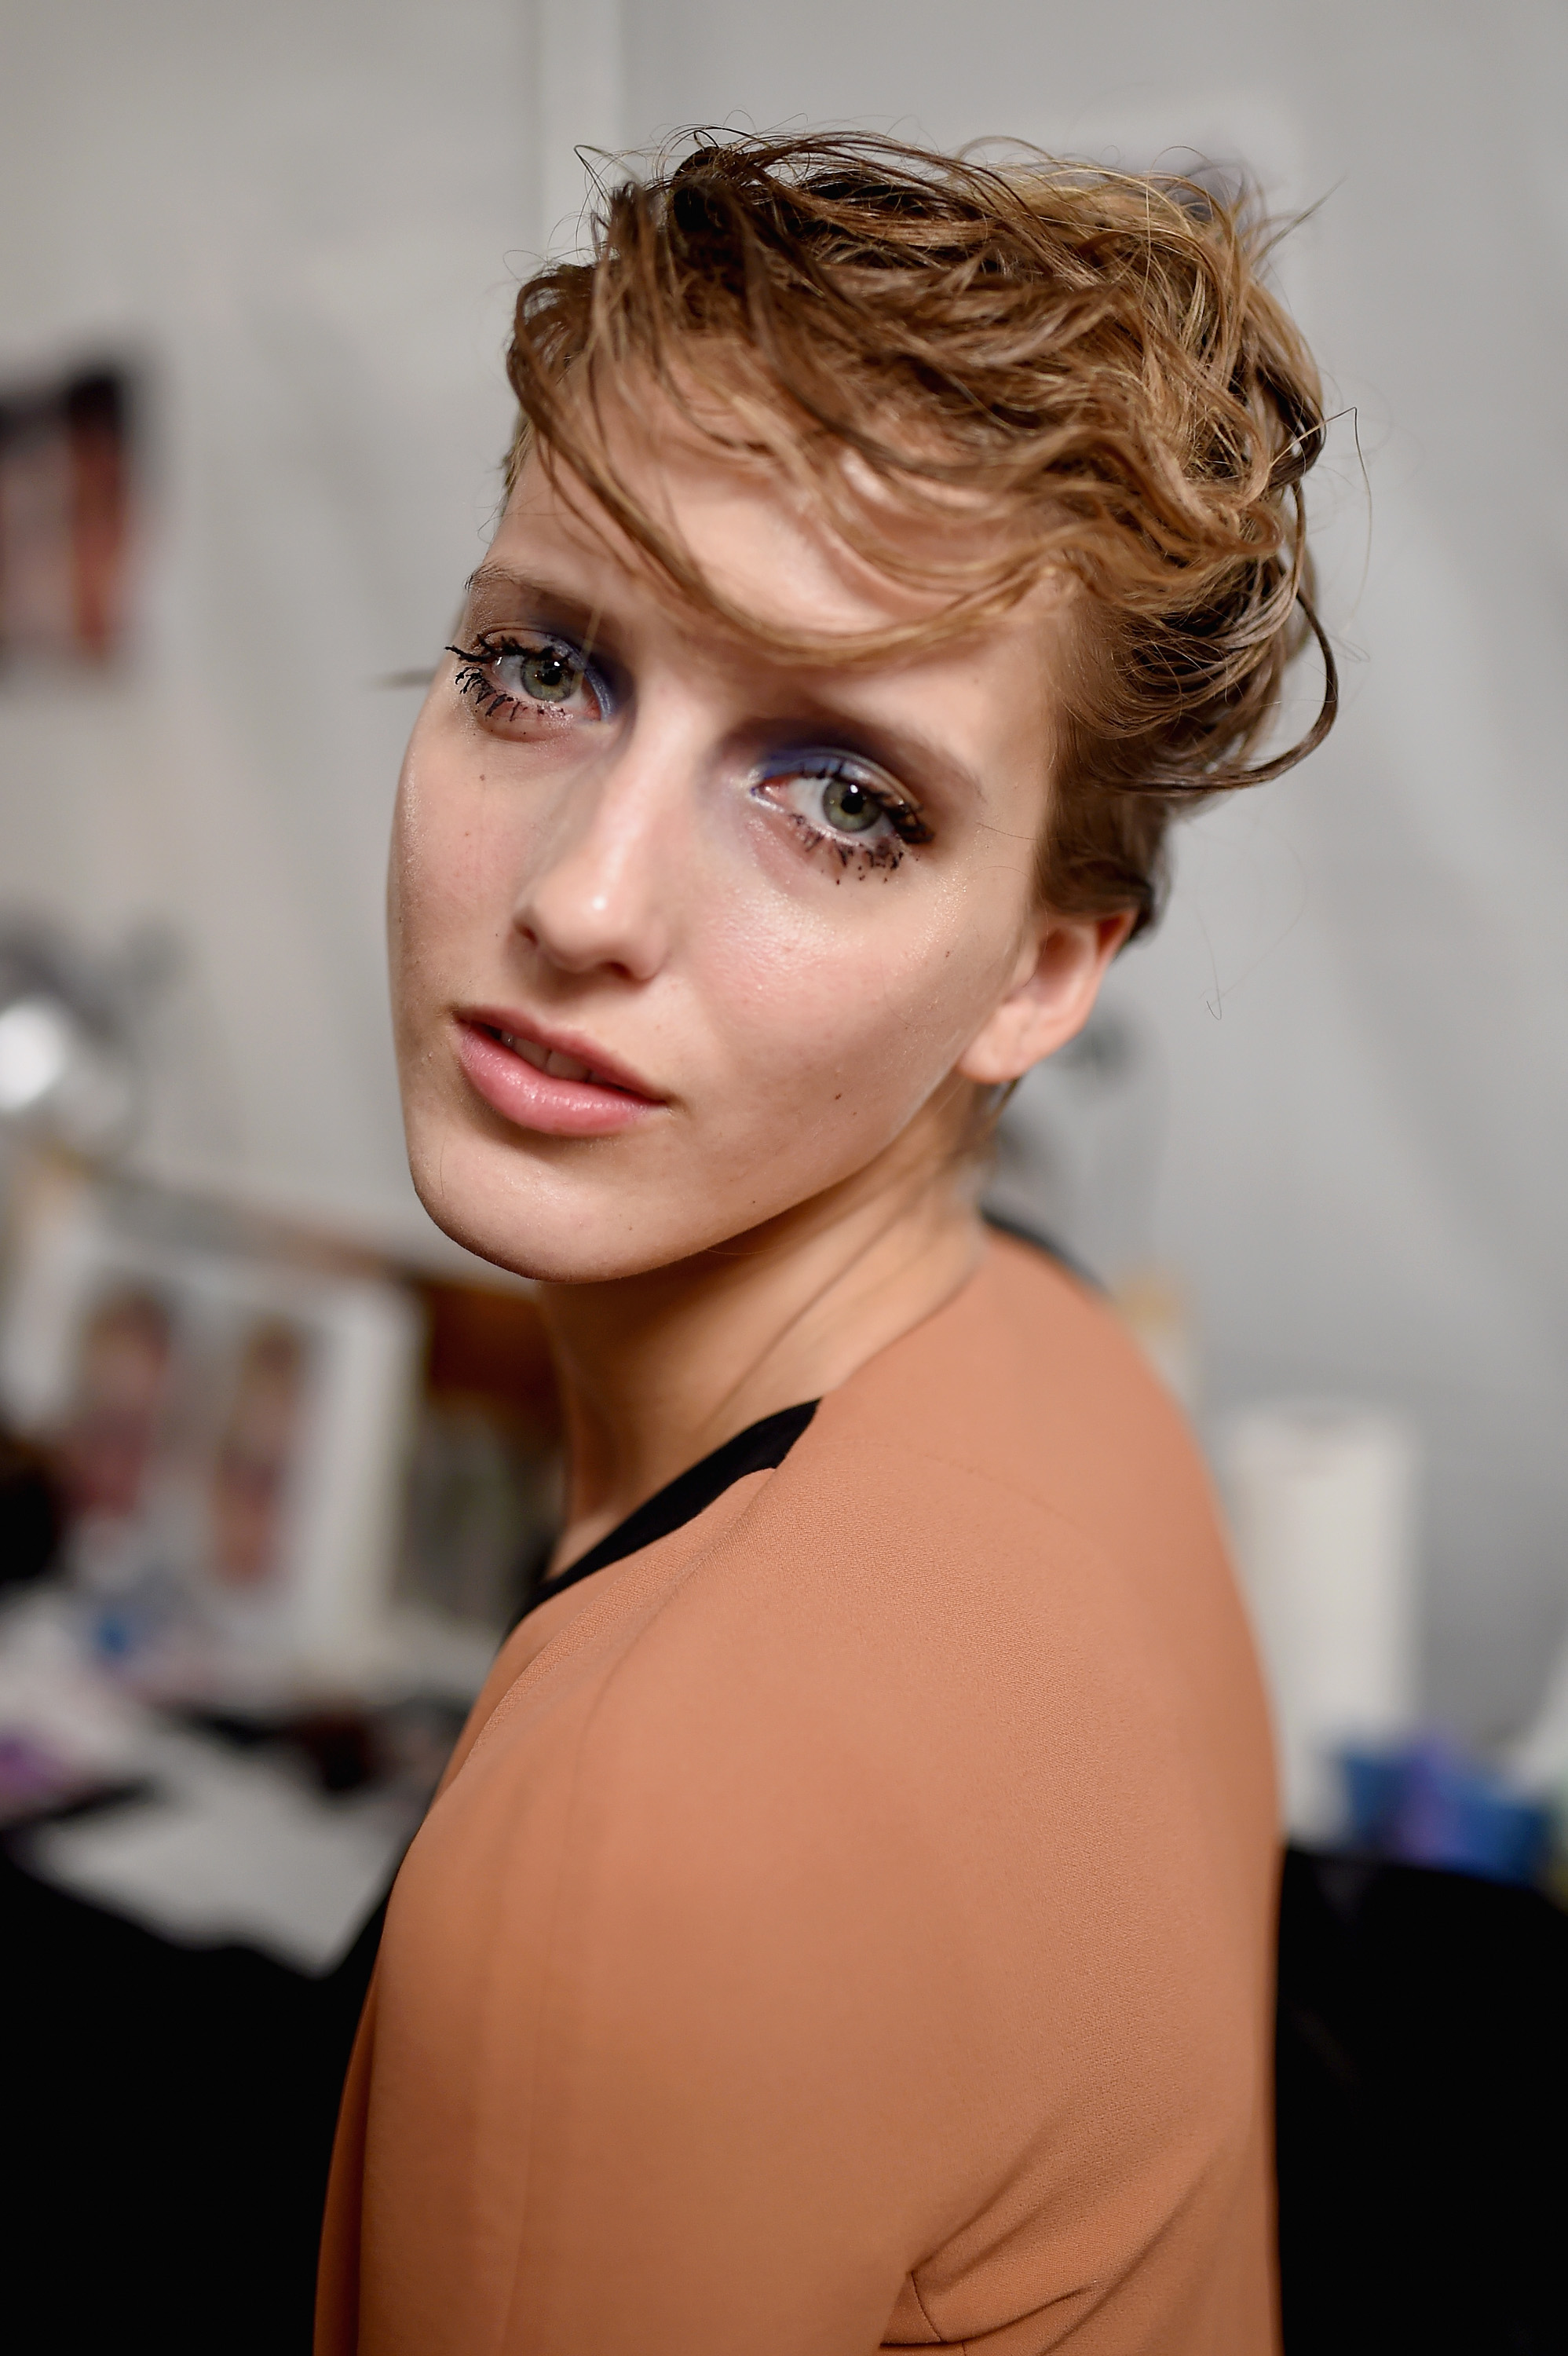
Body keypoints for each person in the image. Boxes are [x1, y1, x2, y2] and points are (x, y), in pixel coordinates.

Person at [316, 132, 1335, 2355]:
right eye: (542, 670)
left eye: (844, 798)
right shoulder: (1043, 1348)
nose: (584, 901)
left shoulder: (655, 1841)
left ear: (1040, 973)